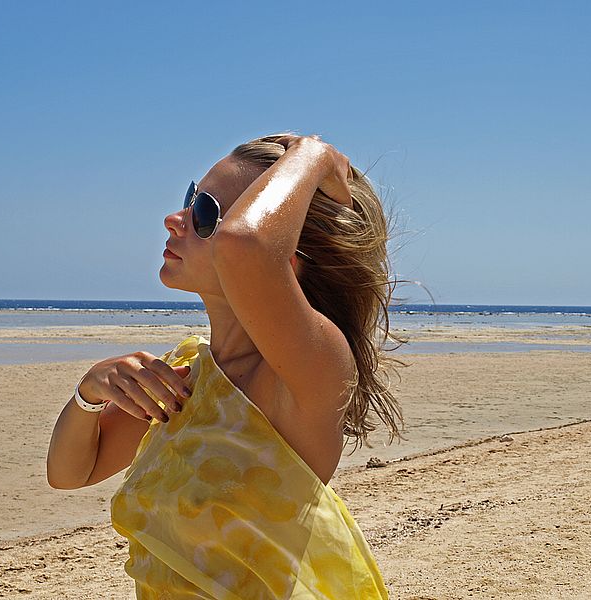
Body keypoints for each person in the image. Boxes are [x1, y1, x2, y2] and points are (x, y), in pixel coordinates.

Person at [46, 132, 408, 598]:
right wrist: (90, 392)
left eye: (204, 215)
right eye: (191, 199)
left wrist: (314, 155)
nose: (174, 219)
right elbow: (70, 472)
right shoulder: (189, 373)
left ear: (287, 258)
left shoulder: (311, 370)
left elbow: (245, 246)